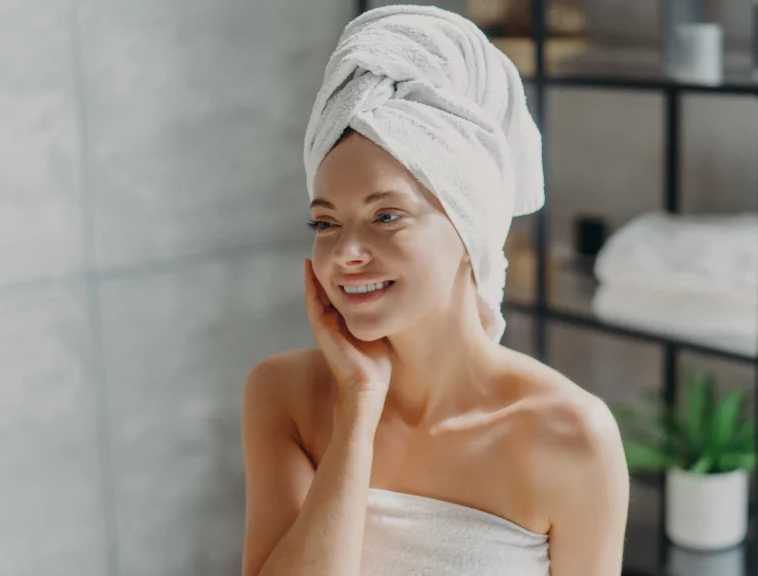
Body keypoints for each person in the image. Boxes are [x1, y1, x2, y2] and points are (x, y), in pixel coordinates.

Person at [240, 6, 629, 576]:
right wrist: (358, 408)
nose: (345, 252)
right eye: (325, 223)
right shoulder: (284, 396)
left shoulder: (569, 435)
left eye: (387, 215)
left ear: (470, 227)